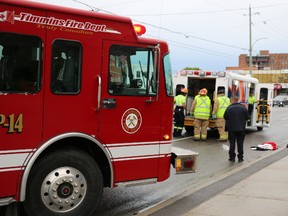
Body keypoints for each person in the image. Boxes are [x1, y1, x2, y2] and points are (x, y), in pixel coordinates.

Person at [224, 96, 249, 162]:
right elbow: (247, 117)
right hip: (241, 129)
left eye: (230, 100)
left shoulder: (229, 108)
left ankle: (232, 158)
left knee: (232, 144)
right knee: (240, 143)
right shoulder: (243, 108)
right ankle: (240, 157)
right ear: (237, 100)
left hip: (232, 129)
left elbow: (225, 117)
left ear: (232, 100)